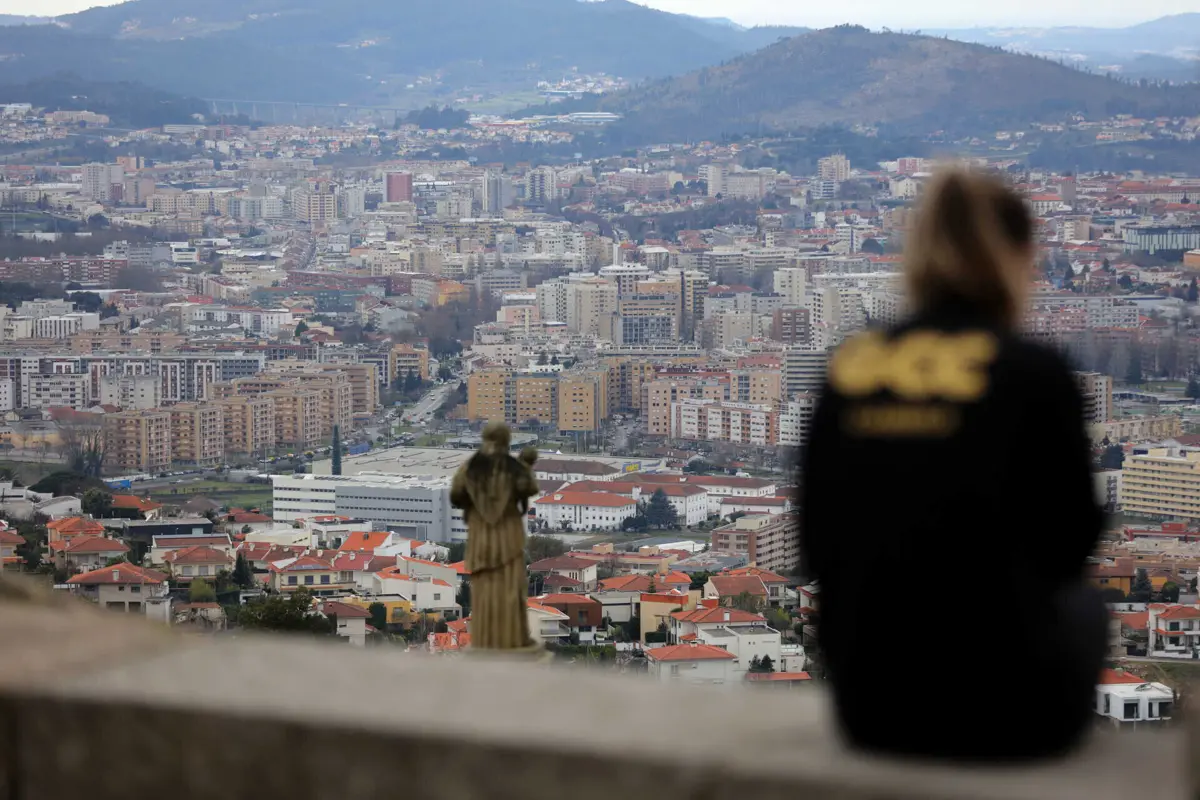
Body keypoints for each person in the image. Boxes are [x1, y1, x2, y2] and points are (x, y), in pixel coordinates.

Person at [800, 169, 1106, 762]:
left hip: (872, 711)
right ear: (1018, 256)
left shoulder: (852, 365)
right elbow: (1071, 543)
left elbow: (817, 540)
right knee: (1088, 605)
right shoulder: (1032, 371)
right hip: (1010, 715)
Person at [450, 422, 539, 651]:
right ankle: (512, 640)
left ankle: (485, 639)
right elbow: (529, 488)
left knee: (484, 587)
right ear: (506, 442)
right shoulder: (514, 467)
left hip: (481, 535)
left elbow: (456, 496)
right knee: (510, 585)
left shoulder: (469, 468)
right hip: (507, 534)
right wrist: (526, 465)